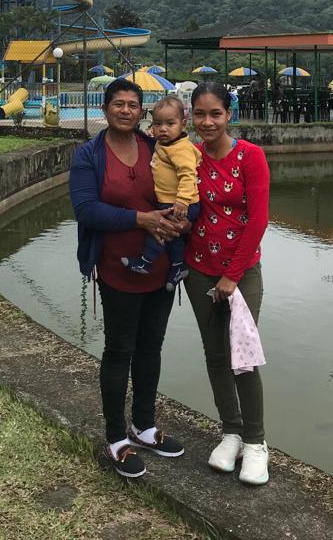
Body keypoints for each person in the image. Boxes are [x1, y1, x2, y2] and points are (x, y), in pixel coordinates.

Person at [69, 79, 186, 478]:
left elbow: (183, 188)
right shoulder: (89, 155)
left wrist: (179, 221)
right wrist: (141, 219)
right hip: (117, 268)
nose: (125, 110)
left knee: (151, 347)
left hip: (159, 267)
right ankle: (117, 437)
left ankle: (144, 426)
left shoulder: (157, 147)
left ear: (142, 112)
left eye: (133, 105)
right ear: (105, 109)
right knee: (120, 349)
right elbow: (86, 209)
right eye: (118, 103)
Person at [184, 81, 271, 486]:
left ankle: (255, 442)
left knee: (242, 357)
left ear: (229, 115)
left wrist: (232, 276)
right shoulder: (189, 156)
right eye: (199, 114)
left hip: (240, 274)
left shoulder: (250, 156)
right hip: (199, 270)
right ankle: (231, 432)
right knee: (215, 355)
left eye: (215, 113)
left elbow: (258, 220)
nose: (207, 122)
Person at [121, 96, 201, 290]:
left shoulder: (180, 149)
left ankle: (145, 262)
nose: (163, 129)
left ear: (183, 124)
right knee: (174, 236)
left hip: (181, 203)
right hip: (173, 201)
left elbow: (188, 175)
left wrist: (182, 201)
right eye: (158, 124)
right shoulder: (165, 143)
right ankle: (178, 267)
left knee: (160, 229)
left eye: (170, 124)